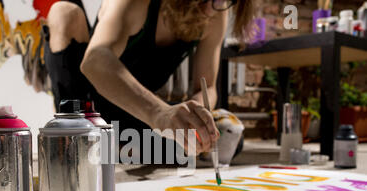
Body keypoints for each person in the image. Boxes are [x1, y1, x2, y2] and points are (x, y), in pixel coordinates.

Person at [44, 0, 254, 155]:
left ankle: (120, 148)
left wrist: (197, 117)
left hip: (136, 115)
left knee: (229, 137)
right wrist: (159, 113)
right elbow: (95, 62)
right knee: (64, 12)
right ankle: (76, 146)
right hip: (90, 110)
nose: (210, 9)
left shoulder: (216, 10)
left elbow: (207, 87)